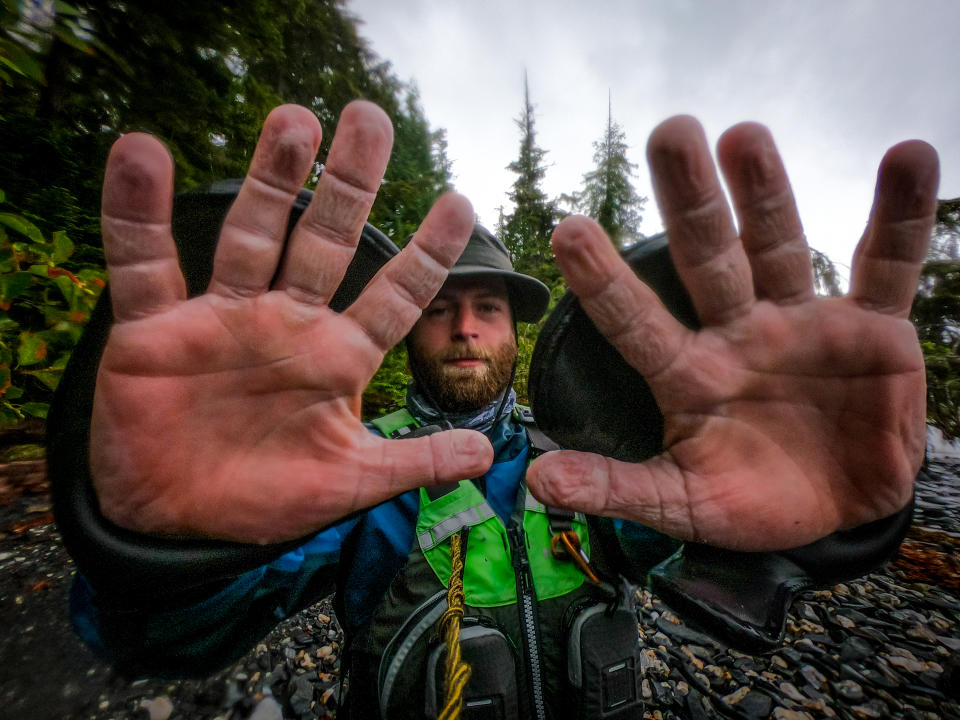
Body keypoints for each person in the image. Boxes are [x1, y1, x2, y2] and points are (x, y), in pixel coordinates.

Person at [49, 100, 939, 719]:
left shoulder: (590, 468)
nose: (465, 329)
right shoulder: (350, 475)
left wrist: (828, 526)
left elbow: (720, 550)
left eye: (488, 309)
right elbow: (161, 640)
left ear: (517, 331)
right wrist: (155, 553)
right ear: (405, 330)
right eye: (439, 308)